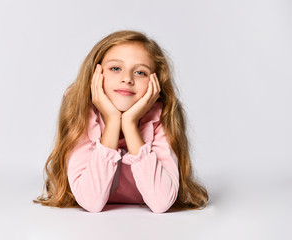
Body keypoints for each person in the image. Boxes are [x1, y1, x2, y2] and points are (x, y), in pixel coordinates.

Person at [33, 30, 208, 213]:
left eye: (140, 72)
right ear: (96, 73)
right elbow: (91, 202)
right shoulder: (83, 111)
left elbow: (161, 203)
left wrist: (130, 124)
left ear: (155, 83)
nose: (127, 79)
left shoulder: (161, 115)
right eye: (116, 68)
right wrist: (113, 121)